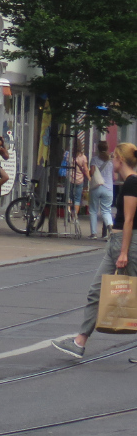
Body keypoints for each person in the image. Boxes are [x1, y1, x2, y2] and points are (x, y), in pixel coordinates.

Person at [52, 141, 137, 358]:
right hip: (115, 245)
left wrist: (125, 252)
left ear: (119, 159)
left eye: (114, 157)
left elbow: (129, 221)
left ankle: (80, 340)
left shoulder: (132, 184)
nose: (112, 161)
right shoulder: (129, 182)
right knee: (96, 292)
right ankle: (80, 341)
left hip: (126, 245)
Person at [89, 141, 114, 240]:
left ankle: (94, 233)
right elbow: (114, 176)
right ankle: (110, 228)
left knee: (93, 210)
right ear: (107, 148)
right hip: (108, 188)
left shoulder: (94, 159)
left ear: (98, 149)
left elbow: (92, 173)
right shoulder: (111, 161)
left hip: (97, 187)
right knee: (106, 210)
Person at [69, 144, 88, 228]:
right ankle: (75, 217)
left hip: (70, 179)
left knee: (69, 197)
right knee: (77, 198)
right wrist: (89, 178)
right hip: (79, 180)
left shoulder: (69, 155)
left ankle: (69, 211)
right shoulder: (83, 157)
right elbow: (86, 169)